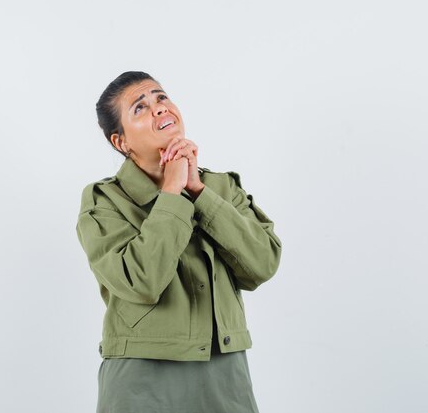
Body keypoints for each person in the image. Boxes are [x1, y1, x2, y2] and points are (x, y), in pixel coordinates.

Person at [75, 71, 283, 413]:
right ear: (120, 142)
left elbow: (262, 264)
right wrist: (172, 192)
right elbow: (141, 281)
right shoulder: (104, 201)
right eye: (140, 107)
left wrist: (199, 191)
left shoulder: (221, 188)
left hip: (225, 379)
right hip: (143, 382)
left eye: (161, 97)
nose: (159, 108)